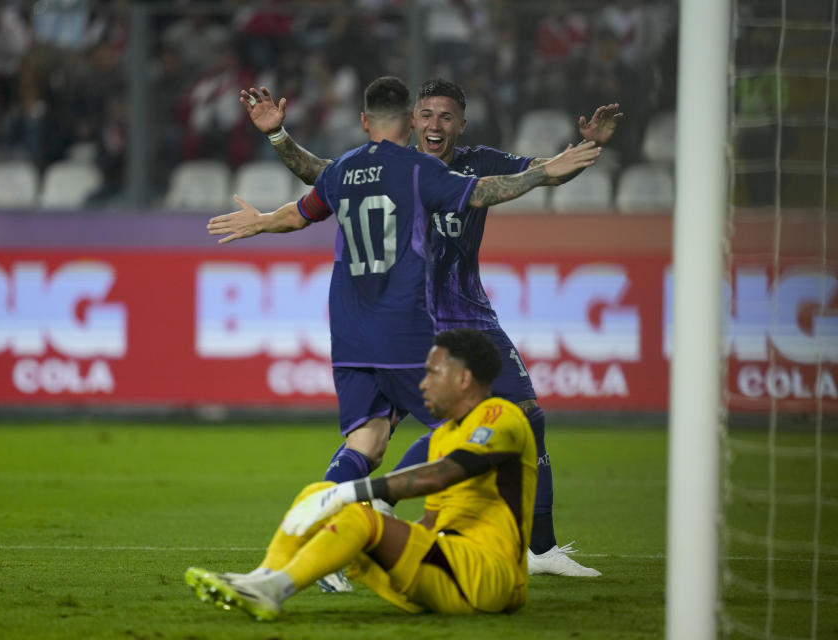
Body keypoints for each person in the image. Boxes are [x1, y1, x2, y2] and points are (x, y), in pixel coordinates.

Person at [235, 79, 620, 577]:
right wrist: (279, 138)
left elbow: (542, 173)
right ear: (412, 120)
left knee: (520, 417)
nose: (435, 124)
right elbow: (320, 177)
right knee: (429, 427)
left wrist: (588, 148)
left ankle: (537, 549)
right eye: (427, 115)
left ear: (460, 123)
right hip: (418, 314)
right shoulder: (398, 170)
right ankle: (378, 506)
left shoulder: (474, 161)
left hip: (468, 313)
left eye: (446, 117)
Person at [185, 328, 538, 620]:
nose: (423, 384)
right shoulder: (445, 433)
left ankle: (276, 590)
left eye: (433, 372)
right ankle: (262, 579)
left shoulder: (500, 416)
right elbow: (434, 519)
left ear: (463, 378)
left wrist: (349, 494)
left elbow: (441, 476)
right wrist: (395, 538)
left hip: (490, 578)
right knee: (317, 491)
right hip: (447, 567)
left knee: (356, 513)